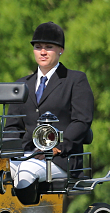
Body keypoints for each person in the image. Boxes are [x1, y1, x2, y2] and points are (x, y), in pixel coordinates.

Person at [5, 22, 94, 203]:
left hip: (60, 159)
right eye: (38, 47)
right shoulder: (23, 85)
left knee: (25, 172)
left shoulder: (75, 80)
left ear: (61, 49)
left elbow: (81, 121)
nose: (43, 52)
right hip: (25, 155)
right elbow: (12, 126)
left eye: (49, 47)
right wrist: (6, 151)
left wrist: (57, 147)